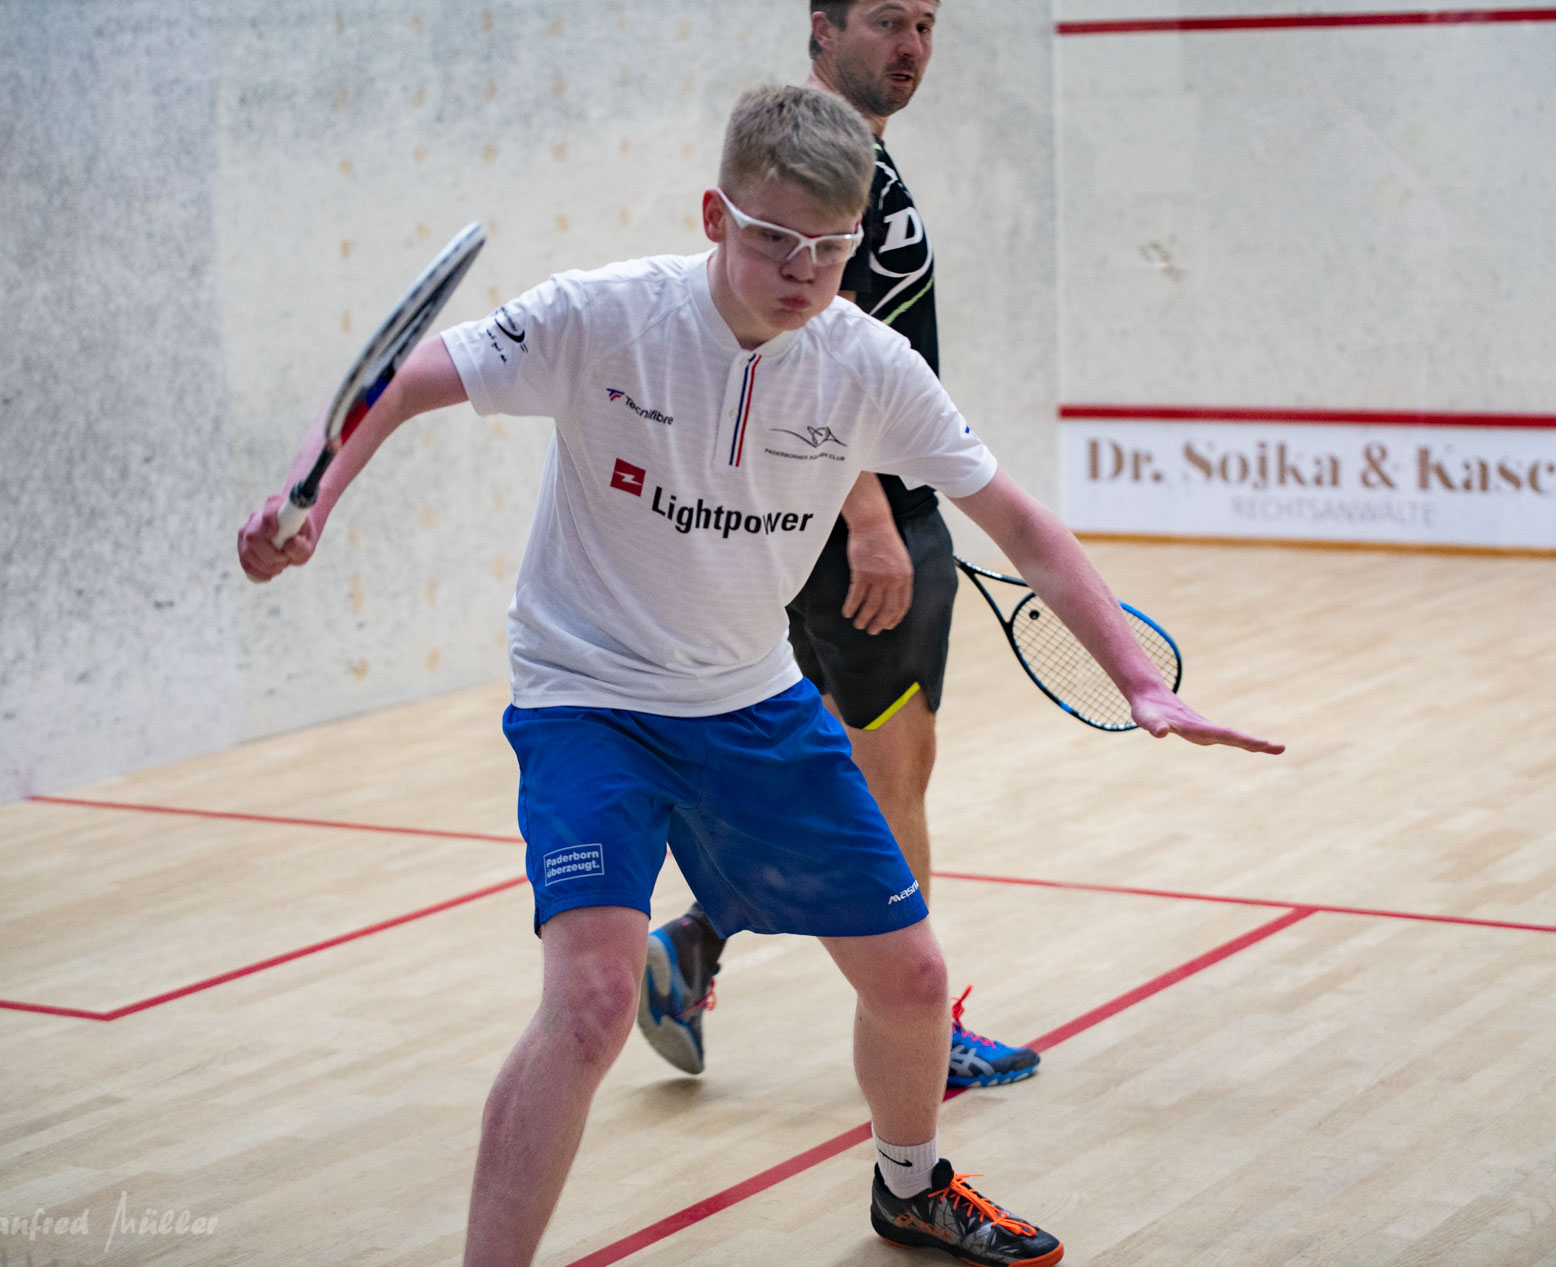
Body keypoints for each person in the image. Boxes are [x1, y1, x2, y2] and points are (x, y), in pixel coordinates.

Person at [239, 85, 1281, 1267]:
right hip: (589, 699)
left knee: (913, 979)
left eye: (830, 247)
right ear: (713, 215)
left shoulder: (865, 364)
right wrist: (310, 500)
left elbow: (1023, 526)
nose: (802, 270)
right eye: (775, 237)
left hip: (749, 698)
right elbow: (403, 381)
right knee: (590, 1004)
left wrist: (1140, 681)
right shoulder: (602, 317)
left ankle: (909, 1188)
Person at [639, 0, 1039, 1093]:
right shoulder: (822, 175)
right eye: (886, 22)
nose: (910, 48)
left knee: (828, 768)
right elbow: (798, 347)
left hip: (823, 523)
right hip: (862, 530)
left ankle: (696, 940)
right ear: (822, 28)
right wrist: (869, 518)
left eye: (925, 25)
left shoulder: (853, 161)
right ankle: (922, 1030)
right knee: (892, 775)